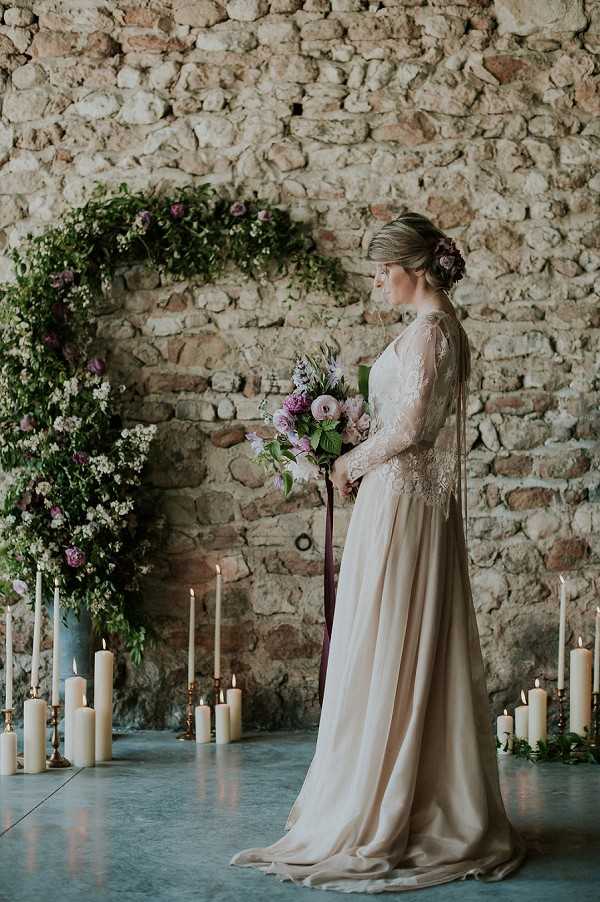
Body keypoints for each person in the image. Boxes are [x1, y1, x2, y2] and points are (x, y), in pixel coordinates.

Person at [229, 213, 528, 892]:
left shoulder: (430, 333)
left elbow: (414, 427)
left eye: (380, 270)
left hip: (400, 502)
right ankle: (397, 782)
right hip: (404, 502)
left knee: (389, 635)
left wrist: (347, 464)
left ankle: (387, 802)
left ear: (412, 268)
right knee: (388, 635)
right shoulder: (437, 329)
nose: (375, 282)